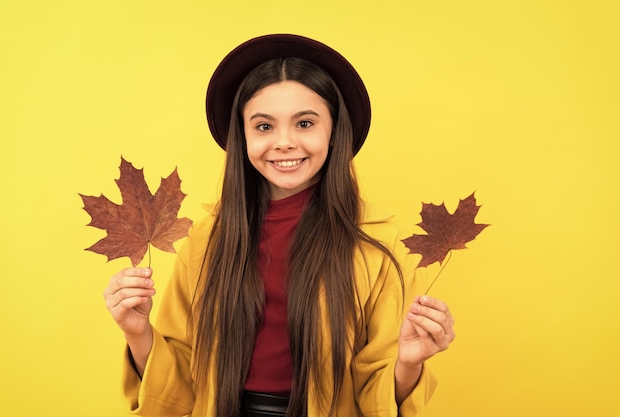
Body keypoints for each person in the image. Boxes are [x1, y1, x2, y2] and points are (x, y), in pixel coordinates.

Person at [103, 34, 455, 417]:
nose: (284, 142)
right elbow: (182, 385)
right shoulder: (206, 240)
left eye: (305, 123)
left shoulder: (377, 248)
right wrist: (138, 333)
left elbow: (375, 392)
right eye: (264, 126)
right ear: (243, 136)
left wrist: (408, 363)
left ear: (335, 132)